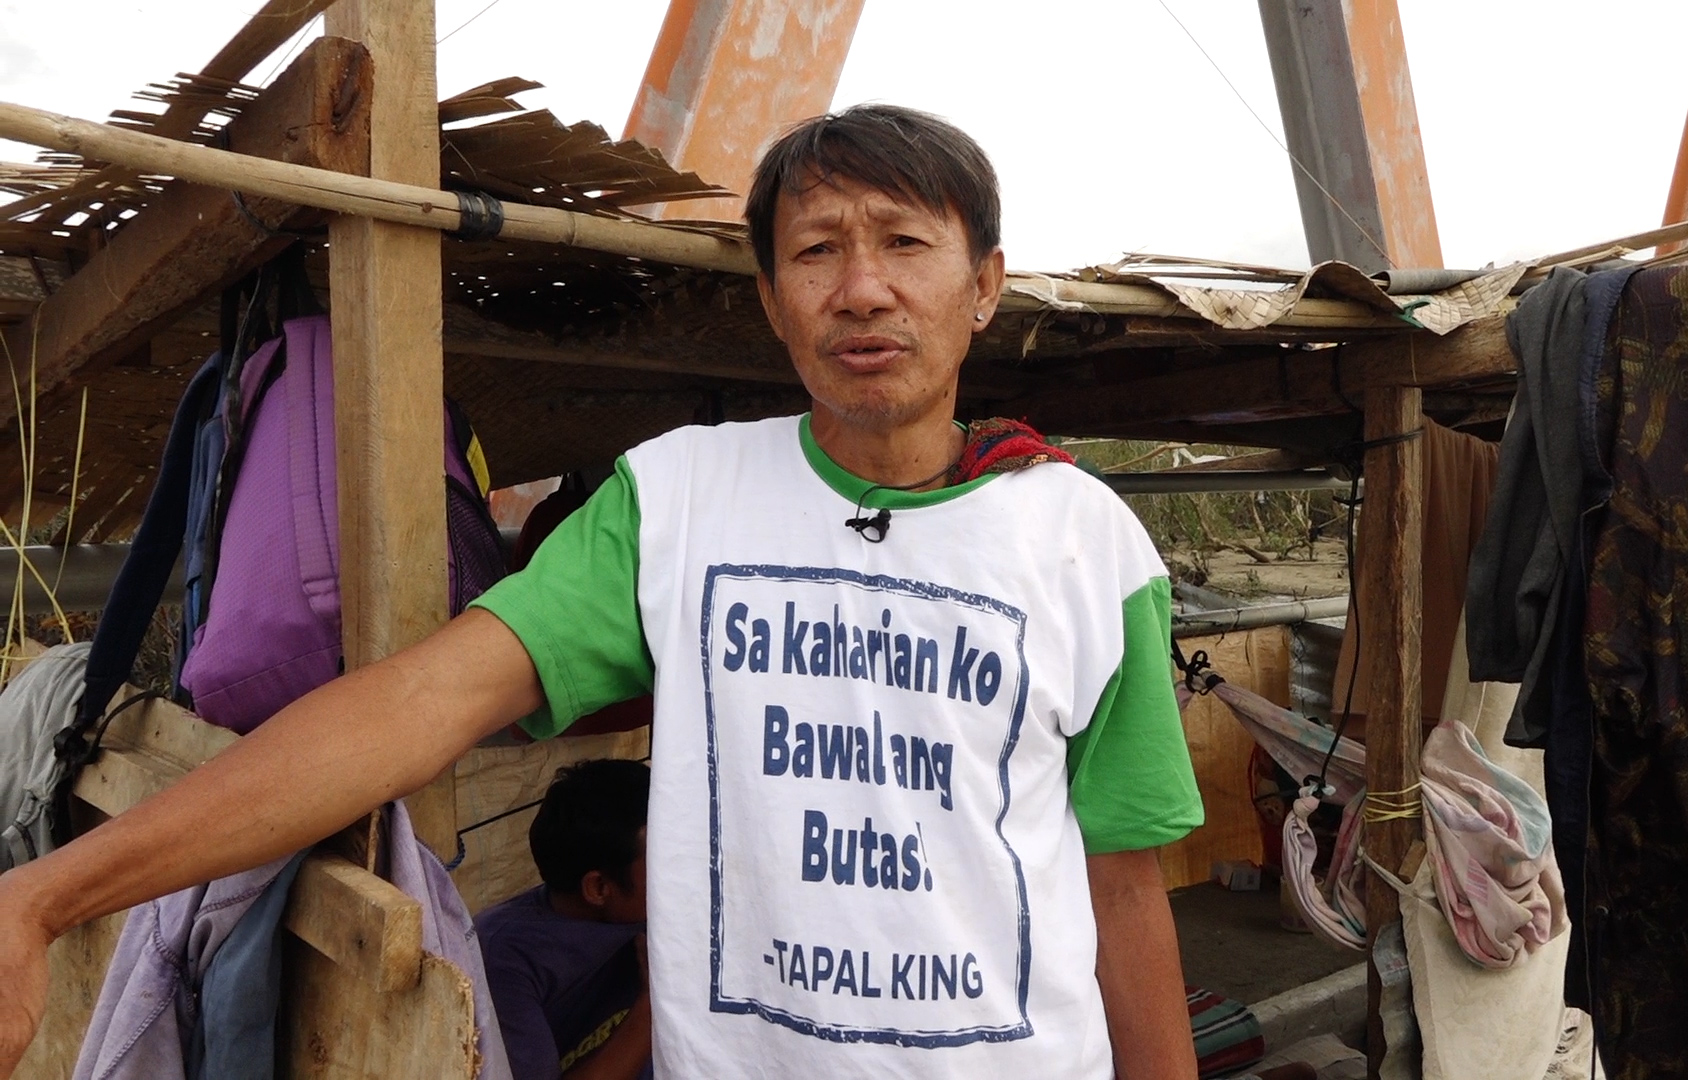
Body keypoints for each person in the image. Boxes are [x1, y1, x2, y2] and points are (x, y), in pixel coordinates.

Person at [0, 104, 1204, 1079]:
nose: (862, 288)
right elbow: (411, 706)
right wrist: (46, 899)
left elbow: (1123, 882)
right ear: (774, 298)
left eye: (904, 242)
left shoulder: (1085, 544)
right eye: (816, 250)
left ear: (983, 284)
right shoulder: (677, 503)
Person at [478, 759, 653, 1080]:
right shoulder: (503, 958)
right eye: (665, 859)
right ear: (599, 888)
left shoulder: (649, 906)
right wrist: (653, 1002)